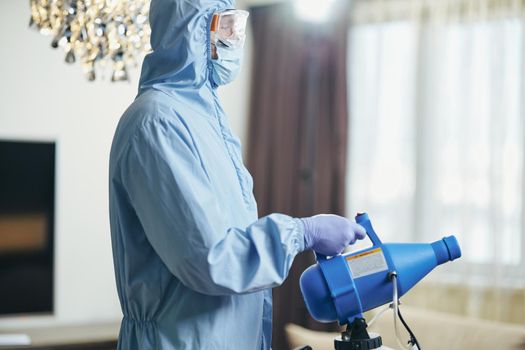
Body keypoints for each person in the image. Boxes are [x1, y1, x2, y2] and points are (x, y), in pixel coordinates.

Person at [108, 0, 366, 349]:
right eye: (224, 27)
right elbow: (211, 257)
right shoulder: (157, 122)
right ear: (190, 31)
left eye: (237, 27)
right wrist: (304, 232)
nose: (235, 39)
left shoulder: (204, 119)